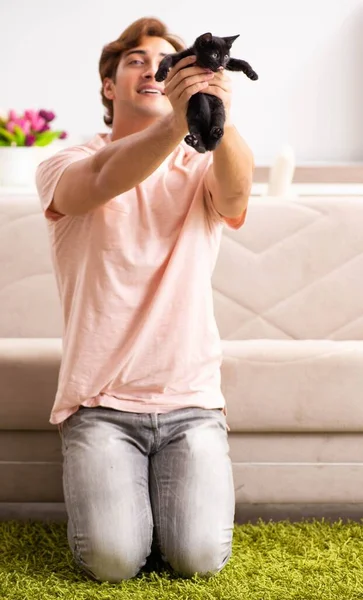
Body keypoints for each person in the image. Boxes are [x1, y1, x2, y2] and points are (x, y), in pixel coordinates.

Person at [36, 16, 254, 583]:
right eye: (137, 61)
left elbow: (235, 192)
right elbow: (103, 178)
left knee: (198, 559)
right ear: (109, 86)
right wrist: (179, 119)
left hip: (192, 405)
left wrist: (216, 114)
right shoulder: (63, 162)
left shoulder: (202, 162)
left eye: (167, 61)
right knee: (112, 563)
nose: (154, 69)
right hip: (100, 407)